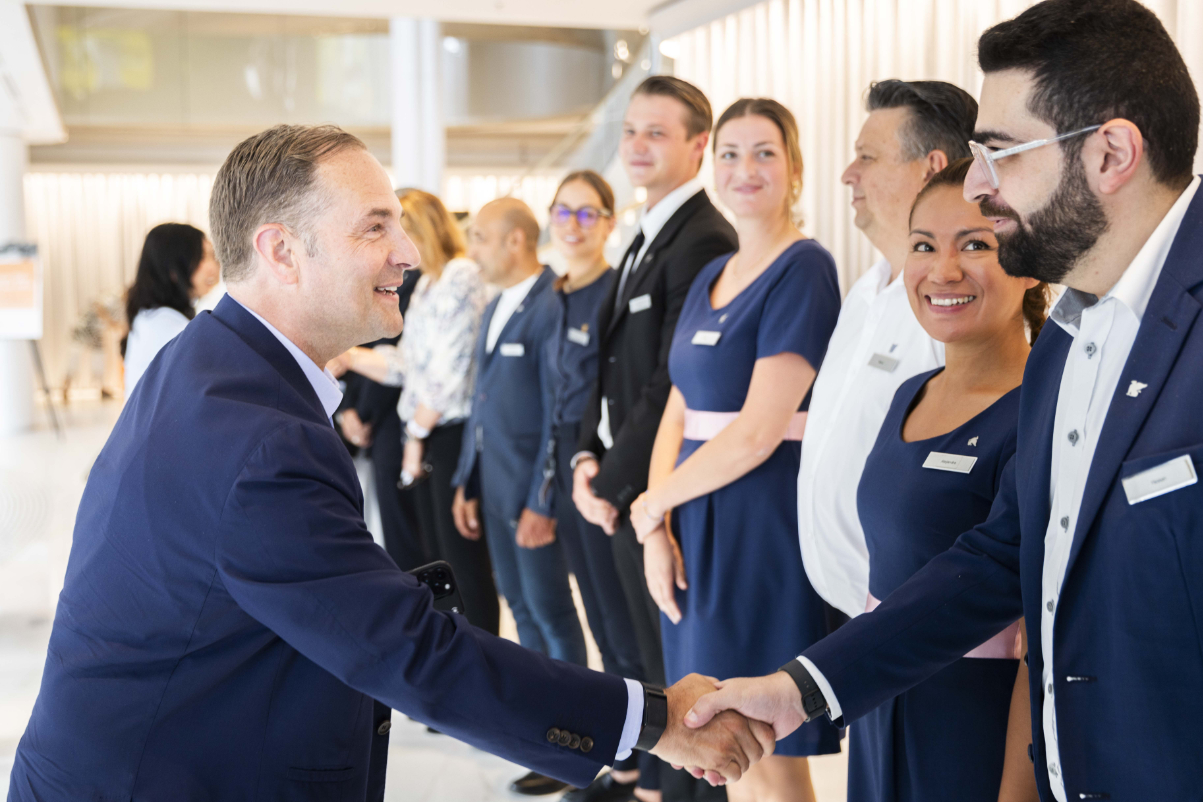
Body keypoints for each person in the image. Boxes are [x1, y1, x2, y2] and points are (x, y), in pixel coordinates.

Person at [7, 124, 776, 801]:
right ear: (281, 250)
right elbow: (409, 651)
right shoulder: (257, 437)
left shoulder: (208, 364)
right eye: (375, 228)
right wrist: (656, 718)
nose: (407, 253)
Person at [682, 2, 1203, 801]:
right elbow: (998, 556)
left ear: (1110, 153)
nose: (978, 188)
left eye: (999, 155)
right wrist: (801, 689)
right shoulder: (1068, 336)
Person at [631, 98, 841, 802]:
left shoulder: (804, 269)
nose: (743, 169)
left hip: (756, 520)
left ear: (794, 170)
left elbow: (756, 431)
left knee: (763, 740)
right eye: (728, 153)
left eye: (763, 153)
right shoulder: (709, 274)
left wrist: (654, 501)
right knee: (715, 737)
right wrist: (656, 525)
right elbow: (677, 407)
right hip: (692, 514)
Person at [845, 158, 1046, 802]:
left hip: (974, 723)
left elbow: (1037, 641)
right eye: (924, 246)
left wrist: (1016, 791)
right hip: (878, 700)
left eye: (976, 245)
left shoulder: (1041, 409)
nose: (944, 270)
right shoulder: (910, 393)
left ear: (1031, 257)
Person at [572, 75, 738, 802]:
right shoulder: (646, 233)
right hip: (617, 482)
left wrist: (612, 485)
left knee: (675, 672)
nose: (635, 145)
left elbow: (671, 382)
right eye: (630, 130)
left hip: (656, 488)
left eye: (656, 133)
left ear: (698, 147)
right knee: (633, 656)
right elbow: (603, 363)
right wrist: (584, 455)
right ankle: (647, 787)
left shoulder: (704, 237)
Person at [797, 79, 978, 623]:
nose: (848, 174)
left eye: (867, 157)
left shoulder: (953, 302)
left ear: (931, 167)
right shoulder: (865, 289)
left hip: (906, 621)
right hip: (840, 609)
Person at [450, 197, 591, 796]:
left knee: (552, 614)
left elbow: (561, 413)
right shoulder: (494, 308)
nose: (472, 249)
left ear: (515, 241)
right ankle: (544, 738)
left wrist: (544, 499)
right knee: (523, 613)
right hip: (495, 488)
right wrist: (465, 480)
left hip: (531, 495)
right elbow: (482, 403)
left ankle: (577, 740)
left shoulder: (549, 306)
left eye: (480, 237)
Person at [330, 188, 500, 631]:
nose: (396, 249)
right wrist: (351, 357)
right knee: (435, 561)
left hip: (446, 435)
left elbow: (449, 373)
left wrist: (416, 439)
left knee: (462, 565)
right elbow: (408, 363)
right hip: (423, 433)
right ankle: (454, 658)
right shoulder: (428, 285)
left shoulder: (462, 275)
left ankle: (483, 664)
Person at [544, 172, 646, 684]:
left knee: (618, 612)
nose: (574, 225)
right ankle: (622, 755)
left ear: (609, 223)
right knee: (595, 613)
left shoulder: (615, 293)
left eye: (588, 213)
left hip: (603, 461)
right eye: (563, 211)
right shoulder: (553, 294)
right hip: (560, 461)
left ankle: (644, 757)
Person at [334, 267, 426, 570]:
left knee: (403, 536)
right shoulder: (351, 284)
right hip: (356, 422)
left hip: (394, 421)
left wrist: (363, 414)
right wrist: (345, 410)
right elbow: (340, 349)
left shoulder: (415, 285)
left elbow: (398, 359)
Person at [121, 222, 221, 398]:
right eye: (202, 257)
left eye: (213, 256)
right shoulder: (164, 327)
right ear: (173, 268)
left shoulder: (152, 317)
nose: (213, 267)